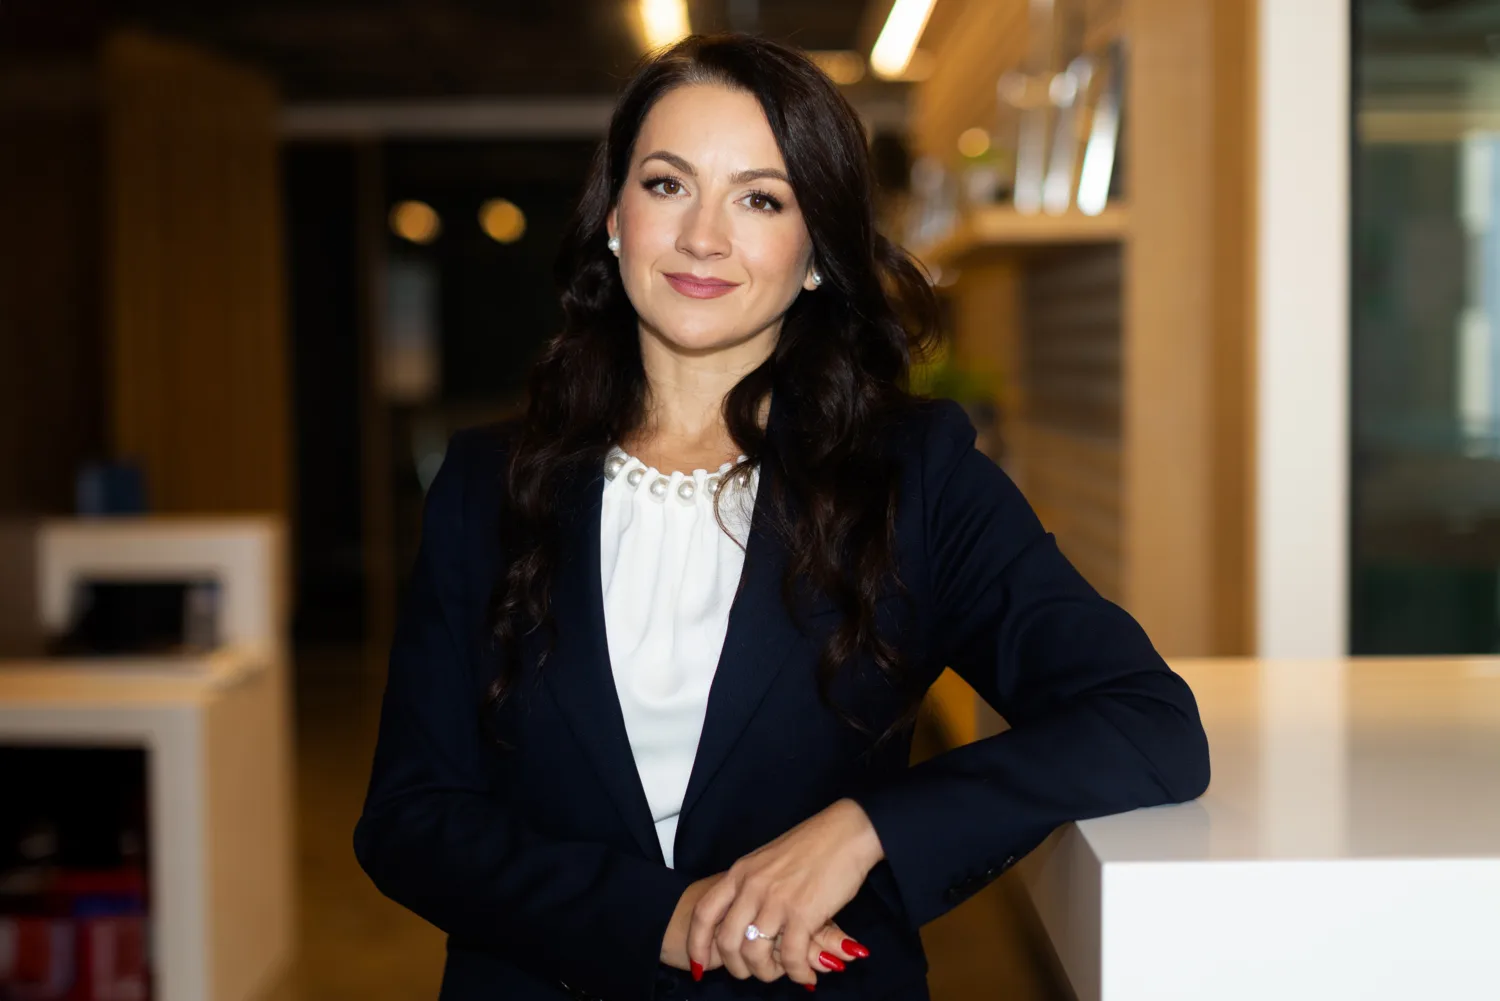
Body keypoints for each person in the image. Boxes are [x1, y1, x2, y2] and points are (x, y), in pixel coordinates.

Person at [354, 33, 1211, 1001]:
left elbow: (1146, 720)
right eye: (668, 185)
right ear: (613, 218)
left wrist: (866, 828)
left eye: (760, 198)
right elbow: (412, 816)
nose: (703, 236)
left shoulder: (913, 473)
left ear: (814, 254)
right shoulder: (485, 481)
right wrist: (662, 918)